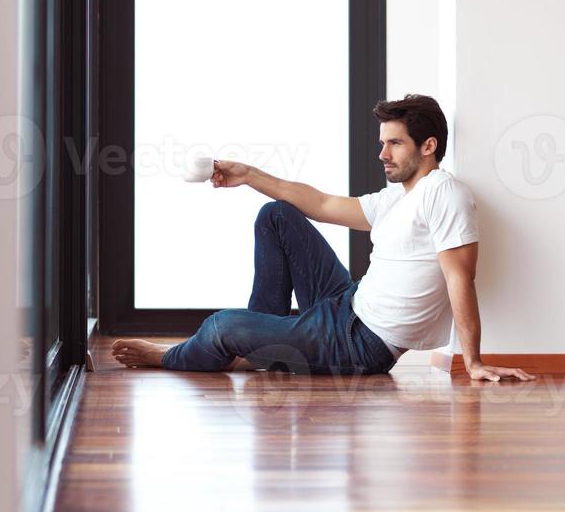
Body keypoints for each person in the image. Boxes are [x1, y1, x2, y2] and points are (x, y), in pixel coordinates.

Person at [111, 94, 535, 383]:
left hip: (361, 344)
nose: (383, 154)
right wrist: (248, 175)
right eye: (382, 143)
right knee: (277, 215)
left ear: (428, 146)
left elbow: (461, 278)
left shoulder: (445, 193)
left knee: (222, 325)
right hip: (345, 304)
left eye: (394, 144)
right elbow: (321, 203)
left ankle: (174, 355)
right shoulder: (397, 199)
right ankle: (266, 345)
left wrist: (473, 360)